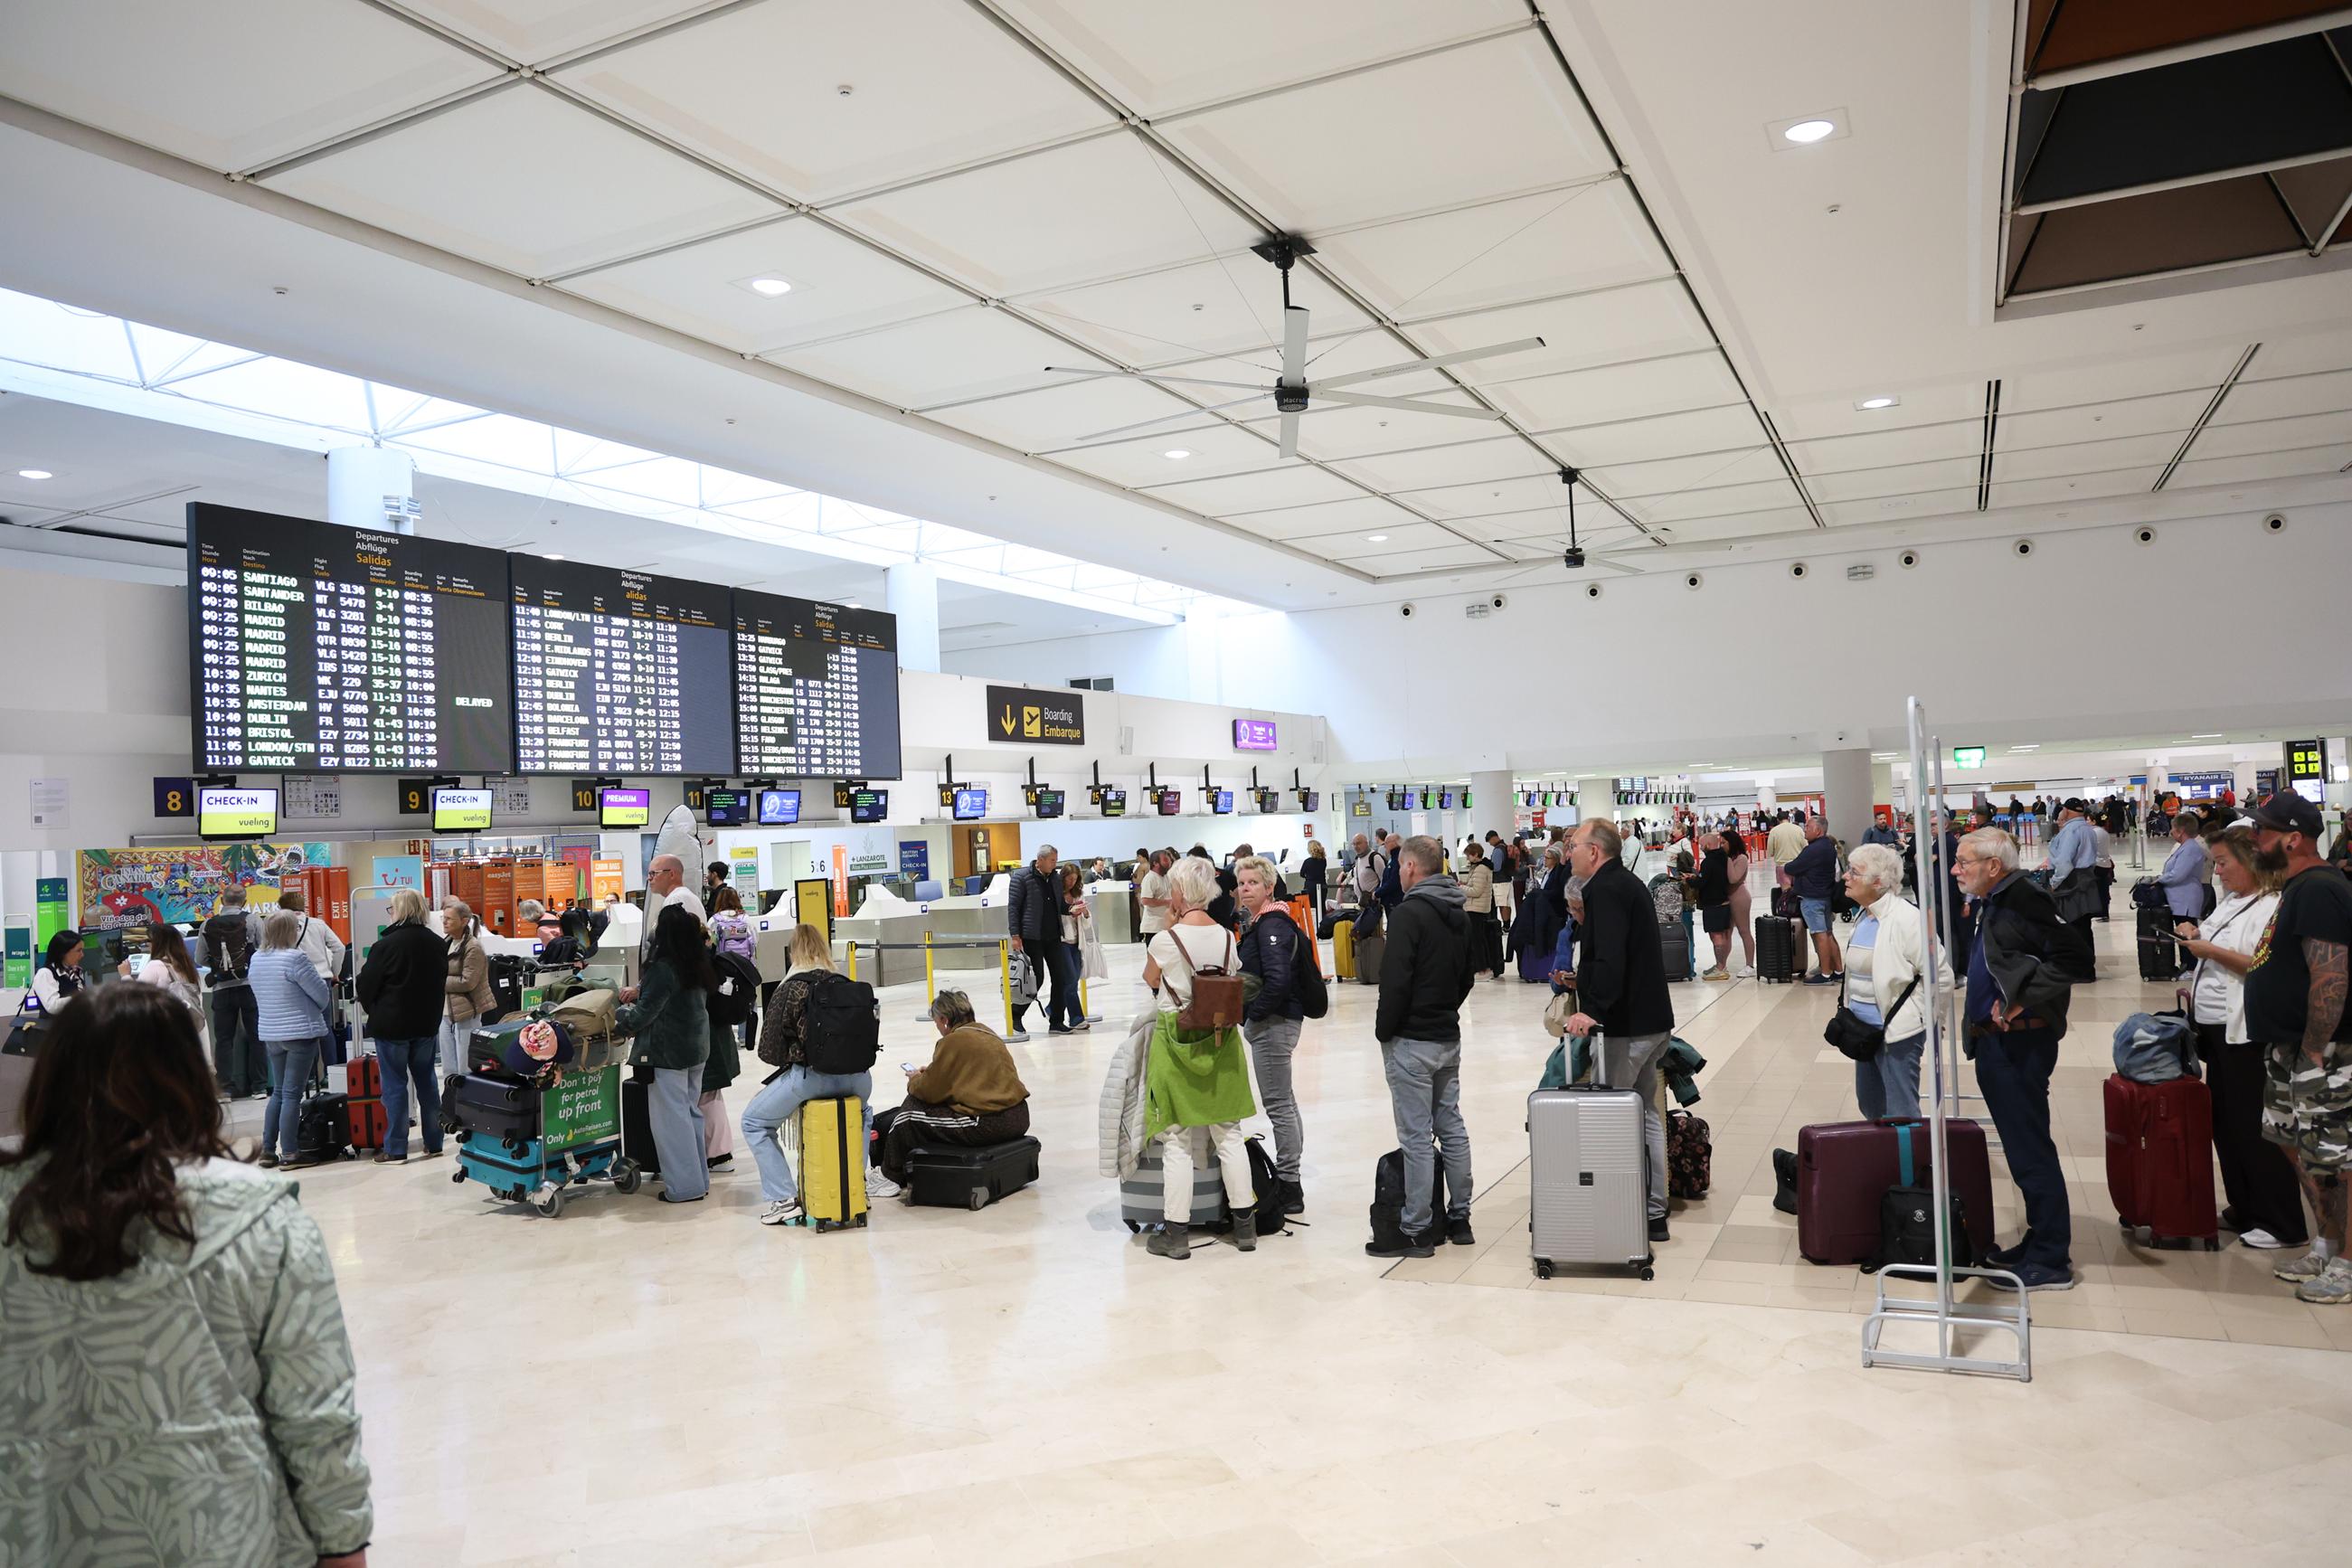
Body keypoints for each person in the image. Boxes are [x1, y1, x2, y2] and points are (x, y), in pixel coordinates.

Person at [0, 985, 373, 1567]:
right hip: (224, 1532)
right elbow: (315, 1409)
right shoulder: (261, 1217)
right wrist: (344, 1542)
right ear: (191, 1078)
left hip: (36, 1534)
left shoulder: (11, 1213)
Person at [1953, 827, 2090, 1292]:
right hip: (1998, 1044)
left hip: (2020, 1044)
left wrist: (2019, 1000)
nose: (1956, 869)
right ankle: (2038, 1241)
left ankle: (2052, 1259)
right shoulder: (1998, 900)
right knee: (2020, 1147)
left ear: (1994, 866)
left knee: (2030, 1149)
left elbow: (2074, 958)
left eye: (1963, 861)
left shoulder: (2024, 898)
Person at [2243, 793, 2352, 1304]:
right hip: (2288, 1048)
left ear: (2292, 838)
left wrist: (2315, 1048)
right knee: (2297, 1146)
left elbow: (2331, 974)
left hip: (2324, 1053)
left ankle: (2349, 1260)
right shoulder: (2295, 888)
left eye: (2262, 833)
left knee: (2340, 1157)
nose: (2254, 841)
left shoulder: (2320, 888)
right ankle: (2329, 1240)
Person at [2176, 827, 2303, 1252]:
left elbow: (2260, 964)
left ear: (2250, 861)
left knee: (2255, 1128)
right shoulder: (2232, 902)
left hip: (2246, 1034)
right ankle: (2243, 1205)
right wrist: (2195, 938)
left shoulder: (2272, 906)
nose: (2219, 871)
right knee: (2226, 1125)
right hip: (2216, 1030)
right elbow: (2213, 944)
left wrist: (2208, 951)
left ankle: (2281, 1220)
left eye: (2225, 862)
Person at [1558, 818, 1677, 1243]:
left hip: (1624, 1028)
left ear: (1594, 851)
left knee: (1615, 1118)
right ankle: (1653, 1211)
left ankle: (1621, 1207)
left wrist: (1591, 1010)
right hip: (1651, 1020)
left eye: (1573, 845)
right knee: (1645, 1114)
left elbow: (1609, 958)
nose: (1568, 851)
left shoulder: (1604, 890)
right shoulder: (1626, 884)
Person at [1140, 857, 1261, 1261]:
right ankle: (1245, 1226)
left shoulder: (1165, 939)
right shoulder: (1228, 937)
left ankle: (1175, 1233)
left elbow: (1151, 979)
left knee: (1175, 1137)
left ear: (1179, 892)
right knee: (1228, 1132)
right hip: (1221, 1038)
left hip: (1176, 1040)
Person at [1365, 836, 1477, 1259]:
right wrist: (1444, 1008)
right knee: (1450, 1125)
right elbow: (1468, 974)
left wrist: (1384, 1031)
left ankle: (1416, 1229)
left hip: (1411, 1040)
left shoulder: (1409, 914)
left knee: (1415, 1136)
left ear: (1411, 866)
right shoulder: (1458, 911)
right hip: (1447, 1036)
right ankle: (1460, 1217)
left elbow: (1395, 982)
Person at [742, 924, 896, 1224]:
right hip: (859, 1078)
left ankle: (784, 1199)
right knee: (863, 1115)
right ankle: (856, 1188)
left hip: (812, 1078)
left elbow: (768, 1051)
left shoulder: (789, 987)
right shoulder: (845, 982)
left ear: (793, 952)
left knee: (754, 1122)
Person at [1840, 844, 1952, 1120]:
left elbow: (1940, 975)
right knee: (1870, 1104)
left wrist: (1927, 1017)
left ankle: (1908, 1162)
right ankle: (1883, 1159)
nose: (1846, 876)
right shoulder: (1864, 915)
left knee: (1900, 1111)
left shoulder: (1906, 919)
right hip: (1864, 1032)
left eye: (1854, 872)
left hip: (1897, 1034)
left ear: (1878, 881)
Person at [875, 990, 1031, 1188]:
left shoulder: (952, 1041)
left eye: (937, 1023)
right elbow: (970, 1077)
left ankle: (889, 1178)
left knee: (908, 1115)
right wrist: (932, 1073)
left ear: (944, 1019)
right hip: (1019, 1116)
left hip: (988, 1124)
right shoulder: (986, 1032)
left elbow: (928, 1091)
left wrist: (914, 1079)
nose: (938, 1028)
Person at [615, 903, 713, 1205]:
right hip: (696, 1049)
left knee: (671, 1122)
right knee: (690, 1114)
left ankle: (684, 1187)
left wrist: (620, 1012)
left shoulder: (662, 968)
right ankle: (699, 1180)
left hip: (667, 1053)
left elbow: (643, 1015)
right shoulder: (698, 963)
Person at [1235, 854, 1308, 1216]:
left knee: (1279, 1105)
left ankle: (1290, 1185)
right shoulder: (1264, 922)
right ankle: (1290, 1177)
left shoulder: (1272, 925)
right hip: (1276, 1021)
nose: (1245, 888)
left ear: (1269, 887)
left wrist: (1254, 1017)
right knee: (1285, 1102)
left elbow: (1277, 980)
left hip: (1275, 1024)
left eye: (1252, 883)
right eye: (1241, 882)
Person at [353, 886, 447, 1166]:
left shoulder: (386, 946)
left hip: (392, 1026)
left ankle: (395, 1147)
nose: (390, 913)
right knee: (428, 1082)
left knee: (394, 1086)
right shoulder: (437, 943)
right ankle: (434, 1141)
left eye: (392, 908)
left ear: (401, 911)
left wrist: (375, 1010)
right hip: (426, 1023)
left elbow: (367, 984)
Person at [251, 911, 333, 1170]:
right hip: (299, 1032)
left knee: (277, 1093)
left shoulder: (257, 958)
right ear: (289, 931)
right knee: (291, 1094)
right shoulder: (295, 957)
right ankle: (290, 1153)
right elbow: (321, 994)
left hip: (271, 1033)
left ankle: (267, 1149)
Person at [201, 886, 267, 1100]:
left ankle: (225, 1088)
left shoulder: (207, 924)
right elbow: (264, 950)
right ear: (245, 902)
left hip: (221, 988)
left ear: (222, 899)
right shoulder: (254, 920)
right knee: (257, 1036)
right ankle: (259, 1087)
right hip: (250, 986)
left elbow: (200, 959)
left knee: (224, 1039)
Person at [1007, 845, 1079, 1040]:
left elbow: (1060, 905)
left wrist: (1071, 909)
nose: (1055, 864)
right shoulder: (1021, 877)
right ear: (1040, 860)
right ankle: (1015, 1015)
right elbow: (1013, 908)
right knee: (1035, 979)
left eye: (1056, 860)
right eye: (1052, 860)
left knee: (1061, 978)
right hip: (1031, 937)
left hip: (1054, 936)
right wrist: (1015, 935)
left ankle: (1056, 1021)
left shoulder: (1054, 878)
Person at [438, 899, 494, 1081]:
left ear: (463, 921)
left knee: (465, 1068)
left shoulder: (474, 947)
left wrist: (437, 981)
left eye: (449, 919)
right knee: (449, 1069)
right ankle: (450, 1104)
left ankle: (466, 1105)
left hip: (466, 1013)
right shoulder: (445, 944)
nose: (445, 922)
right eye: (443, 918)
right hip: (445, 1013)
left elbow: (468, 982)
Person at [2045, 798, 2102, 972]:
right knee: (2083, 927)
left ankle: (2079, 969)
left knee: (2072, 927)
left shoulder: (2071, 830)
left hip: (2071, 884)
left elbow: (2065, 863)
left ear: (2066, 811)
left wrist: (2053, 883)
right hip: (2084, 880)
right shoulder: (2087, 829)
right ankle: (2086, 967)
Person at [1785, 817, 1843, 985]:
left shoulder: (1814, 849)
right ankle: (1838, 971)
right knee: (1828, 933)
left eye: (1808, 827)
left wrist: (1788, 867)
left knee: (1820, 935)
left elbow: (1792, 867)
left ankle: (1825, 974)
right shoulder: (1828, 847)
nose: (1805, 829)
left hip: (1812, 898)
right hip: (1824, 896)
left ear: (1818, 830)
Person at [136, 921, 206, 1027]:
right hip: (188, 1026)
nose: (146, 944)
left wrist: (125, 975)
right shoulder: (187, 967)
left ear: (158, 943)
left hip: (164, 1027)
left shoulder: (155, 966)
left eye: (148, 940)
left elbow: (134, 997)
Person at [274, 887, 349, 987]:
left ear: (282, 907)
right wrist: (334, 972)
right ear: (303, 906)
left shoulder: (277, 926)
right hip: (321, 977)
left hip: (293, 979)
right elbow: (339, 948)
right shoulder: (319, 924)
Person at [1696, 830, 1744, 980]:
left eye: (1702, 845)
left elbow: (1702, 882)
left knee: (1716, 936)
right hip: (1724, 902)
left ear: (1708, 845)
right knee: (1723, 935)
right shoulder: (1724, 858)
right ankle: (1720, 965)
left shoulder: (1708, 862)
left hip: (1713, 904)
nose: (1701, 848)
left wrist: (1691, 881)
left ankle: (1721, 967)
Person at [642, 854, 707, 953]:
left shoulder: (676, 900)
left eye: (653, 873)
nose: (649, 878)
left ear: (671, 874)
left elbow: (672, 944)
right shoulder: (684, 897)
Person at [2158, 813, 2211, 932]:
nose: (2171, 831)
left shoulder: (2190, 849)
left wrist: (2159, 880)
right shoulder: (2185, 846)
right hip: (2179, 900)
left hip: (2185, 901)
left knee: (2187, 939)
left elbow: (2178, 875)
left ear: (2181, 831)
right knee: (2183, 938)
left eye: (2173, 828)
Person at [1459, 841, 1504, 980]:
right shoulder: (1480, 867)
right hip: (1478, 908)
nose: (1467, 858)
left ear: (1475, 854)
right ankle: (1483, 968)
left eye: (1469, 856)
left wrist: (1460, 888)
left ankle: (1483, 970)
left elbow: (1476, 891)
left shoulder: (1481, 869)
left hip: (1476, 909)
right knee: (1479, 939)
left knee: (1477, 941)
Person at [30, 930, 94, 1017]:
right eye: (78, 950)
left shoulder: (74, 973)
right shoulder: (45, 974)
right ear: (63, 952)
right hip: (54, 1029)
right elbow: (52, 1006)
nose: (82, 955)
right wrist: (79, 998)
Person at [537, 906, 597, 972]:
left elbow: (552, 949)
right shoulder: (554, 914)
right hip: (587, 948)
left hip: (571, 952)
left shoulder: (542, 928)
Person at [1137, 847, 1175, 940]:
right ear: (1155, 863)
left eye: (1169, 860)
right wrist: (1167, 902)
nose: (1169, 863)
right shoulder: (1150, 878)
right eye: (1165, 860)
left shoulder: (1166, 877)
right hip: (1154, 927)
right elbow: (1145, 900)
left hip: (1165, 924)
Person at [1767, 811, 1807, 885]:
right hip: (1797, 864)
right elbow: (1805, 845)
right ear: (1788, 818)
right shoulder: (1798, 829)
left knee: (1786, 893)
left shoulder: (1774, 831)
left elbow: (1770, 848)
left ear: (1778, 820)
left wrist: (1770, 854)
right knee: (1798, 890)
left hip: (1782, 865)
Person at [1350, 832, 1385, 909]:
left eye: (1358, 843)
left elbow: (1384, 879)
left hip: (1373, 903)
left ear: (1366, 843)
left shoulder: (1374, 858)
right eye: (1354, 844)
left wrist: (1376, 895)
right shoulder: (1357, 859)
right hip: (1361, 902)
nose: (1356, 846)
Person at [1299, 837, 1328, 918]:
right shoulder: (1323, 860)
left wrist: (1308, 876)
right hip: (1322, 886)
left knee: (1312, 909)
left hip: (1310, 887)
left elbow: (1302, 874)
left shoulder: (1307, 862)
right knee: (1322, 907)